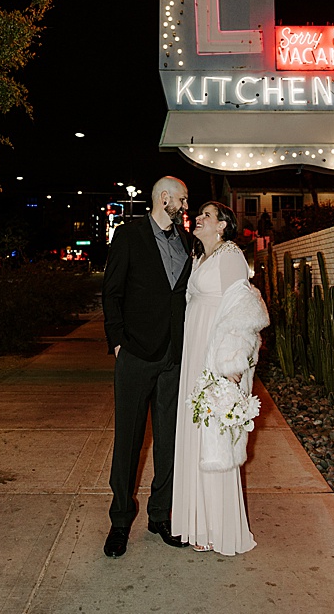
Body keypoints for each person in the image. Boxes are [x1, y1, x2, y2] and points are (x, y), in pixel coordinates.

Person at [102, 176, 193, 557]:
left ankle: (160, 516)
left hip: (175, 357)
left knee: (170, 443)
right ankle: (120, 521)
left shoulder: (187, 242)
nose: (186, 206)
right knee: (128, 442)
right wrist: (119, 342)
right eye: (183, 200)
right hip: (137, 355)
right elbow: (111, 292)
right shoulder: (129, 235)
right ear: (165, 198)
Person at [171, 201, 269, 555]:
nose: (199, 218)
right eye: (198, 215)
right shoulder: (201, 257)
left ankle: (219, 528)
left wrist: (231, 369)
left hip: (216, 357)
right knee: (196, 435)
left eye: (207, 216)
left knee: (214, 435)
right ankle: (195, 522)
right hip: (194, 353)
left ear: (223, 226)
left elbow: (242, 312)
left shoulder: (230, 256)